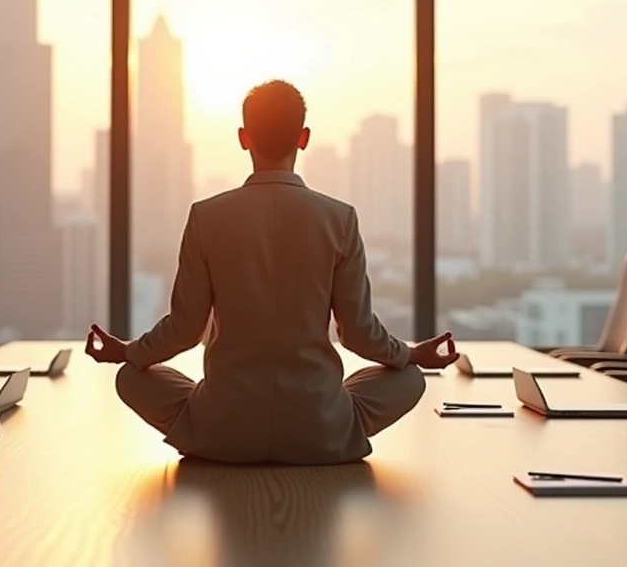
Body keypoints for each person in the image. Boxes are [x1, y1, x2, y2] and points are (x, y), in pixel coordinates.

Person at [85, 79, 459, 464]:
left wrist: (128, 351)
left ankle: (205, 432)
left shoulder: (206, 217)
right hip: (318, 427)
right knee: (408, 377)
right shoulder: (339, 219)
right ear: (304, 137)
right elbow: (359, 335)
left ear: (244, 138)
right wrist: (411, 355)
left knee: (130, 376)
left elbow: (184, 329)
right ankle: (336, 428)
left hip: (224, 427)